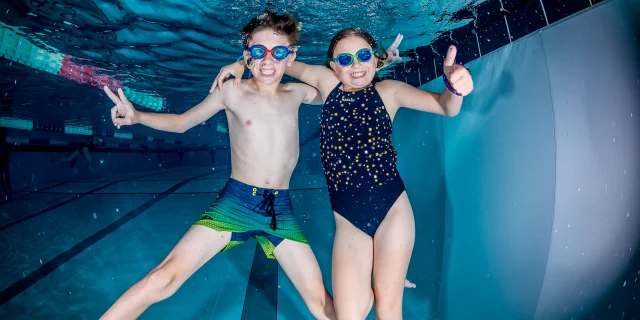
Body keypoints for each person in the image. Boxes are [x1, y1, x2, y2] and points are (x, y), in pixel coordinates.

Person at [211, 28, 474, 319]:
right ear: (333, 67)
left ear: (375, 60)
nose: (355, 65)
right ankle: (379, 284)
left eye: (363, 56)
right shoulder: (327, 84)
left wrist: (455, 87)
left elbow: (445, 107)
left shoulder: (389, 92)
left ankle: (385, 285)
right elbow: (279, 60)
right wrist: (239, 63)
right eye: (345, 60)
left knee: (389, 310)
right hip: (349, 221)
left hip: (393, 211)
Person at [100, 10, 336, 320]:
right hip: (235, 203)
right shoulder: (231, 92)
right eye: (257, 52)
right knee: (164, 279)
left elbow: (333, 83)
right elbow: (183, 122)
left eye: (278, 52)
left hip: (280, 210)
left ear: (291, 56)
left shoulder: (297, 93)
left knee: (320, 301)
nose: (267, 60)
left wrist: (250, 61)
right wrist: (139, 116)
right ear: (247, 55)